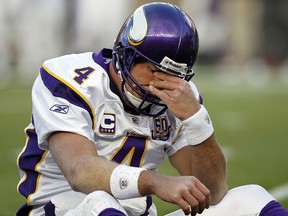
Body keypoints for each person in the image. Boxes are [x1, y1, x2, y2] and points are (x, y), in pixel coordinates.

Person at [16, 2, 287, 216]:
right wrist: (155, 182)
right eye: (155, 70)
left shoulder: (180, 96)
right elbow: (79, 170)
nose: (161, 84)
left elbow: (214, 193)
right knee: (99, 203)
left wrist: (197, 120)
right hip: (62, 210)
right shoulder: (69, 78)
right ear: (127, 55)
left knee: (251, 199)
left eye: (173, 75)